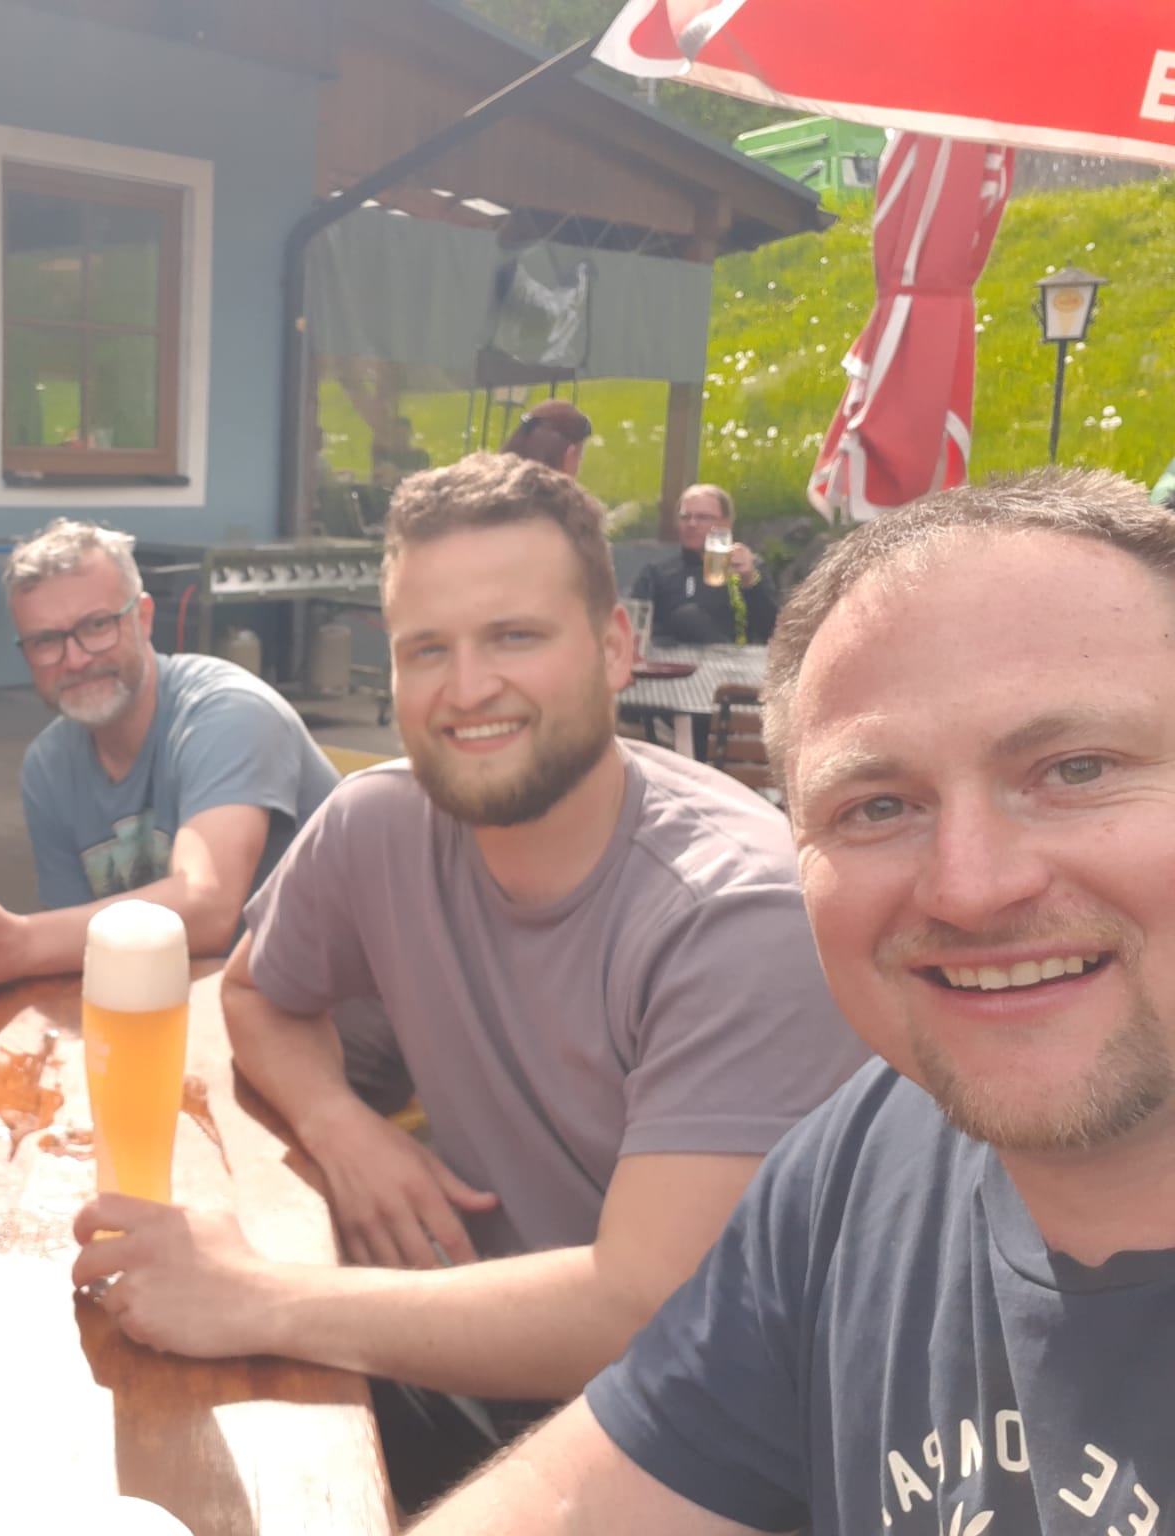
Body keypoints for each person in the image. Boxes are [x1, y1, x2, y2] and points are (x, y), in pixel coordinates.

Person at [69, 453, 865, 1512]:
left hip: (714, 1454)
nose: (467, 687)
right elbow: (256, 996)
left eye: (514, 637)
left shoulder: (735, 912)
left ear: (614, 647)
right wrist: (341, 1127)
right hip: (471, 1369)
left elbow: (641, 1308)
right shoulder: (380, 823)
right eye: (426, 650)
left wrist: (256, 1297)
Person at [409, 466, 1175, 1534]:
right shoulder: (872, 1155)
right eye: (876, 807)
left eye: (1077, 769)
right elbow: (572, 1502)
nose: (968, 886)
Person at [0, 519, 342, 993]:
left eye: (97, 626)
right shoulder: (48, 767)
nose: (75, 659)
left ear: (143, 618)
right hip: (178, 1002)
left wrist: (20, 943)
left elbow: (208, 906)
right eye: (46, 640)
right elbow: (76, 953)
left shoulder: (228, 713)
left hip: (318, 1011)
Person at [627, 482, 776, 647]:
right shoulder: (657, 573)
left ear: (725, 525)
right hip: (672, 658)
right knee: (687, 617)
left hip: (732, 659)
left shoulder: (748, 569)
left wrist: (750, 583)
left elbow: (773, 633)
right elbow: (634, 629)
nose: (692, 524)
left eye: (703, 517)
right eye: (685, 517)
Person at [499, 397, 591, 477]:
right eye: (579, 458)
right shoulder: (556, 491)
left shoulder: (493, 480)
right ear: (569, 454)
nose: (578, 471)